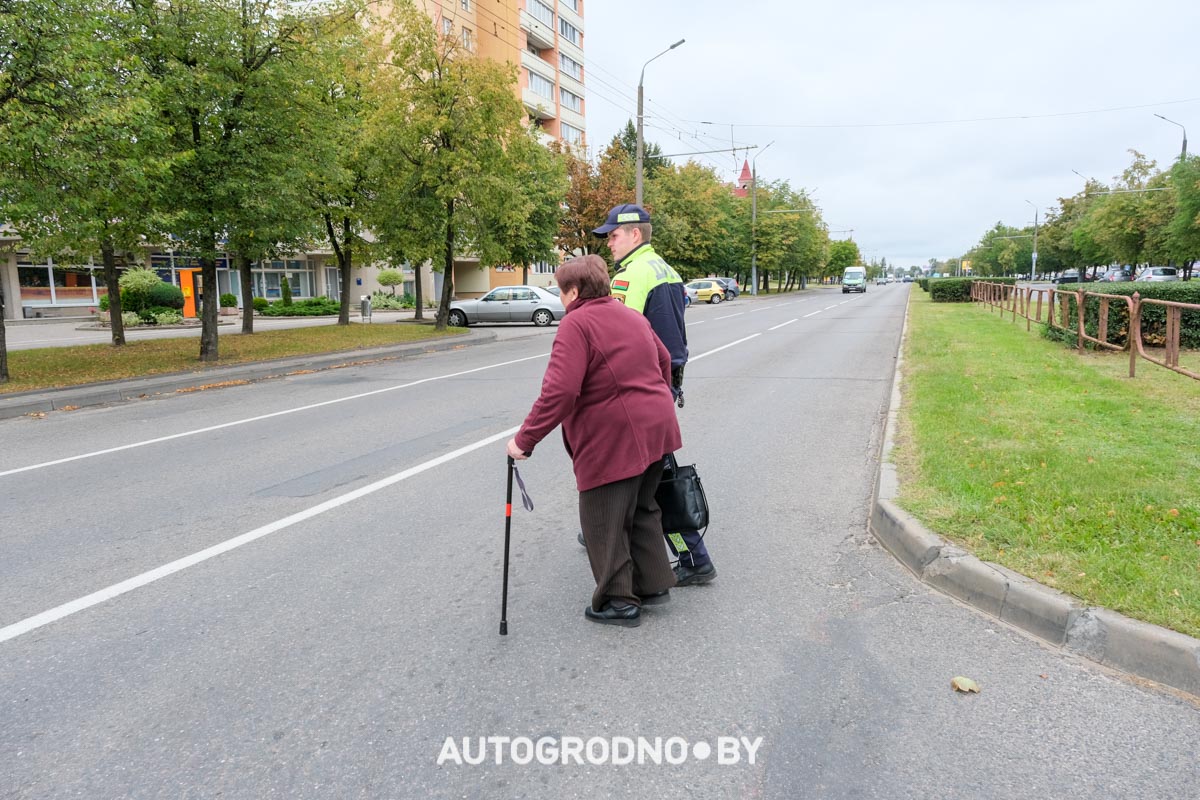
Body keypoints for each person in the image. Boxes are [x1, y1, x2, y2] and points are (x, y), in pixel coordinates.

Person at [506, 255, 680, 628]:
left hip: (613, 436)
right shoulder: (630, 315)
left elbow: (561, 391)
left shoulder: (577, 323)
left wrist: (525, 440)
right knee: (642, 507)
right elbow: (664, 359)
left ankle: (619, 601)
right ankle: (652, 584)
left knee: (603, 517)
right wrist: (653, 400)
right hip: (657, 426)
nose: (559, 296)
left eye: (560, 289)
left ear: (573, 291)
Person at [591, 203, 717, 586]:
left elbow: (616, 336)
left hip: (640, 387)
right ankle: (605, 527)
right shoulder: (664, 269)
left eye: (613, 235)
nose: (608, 243)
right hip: (664, 381)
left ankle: (693, 556)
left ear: (635, 234)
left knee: (653, 475)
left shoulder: (632, 275)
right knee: (648, 468)